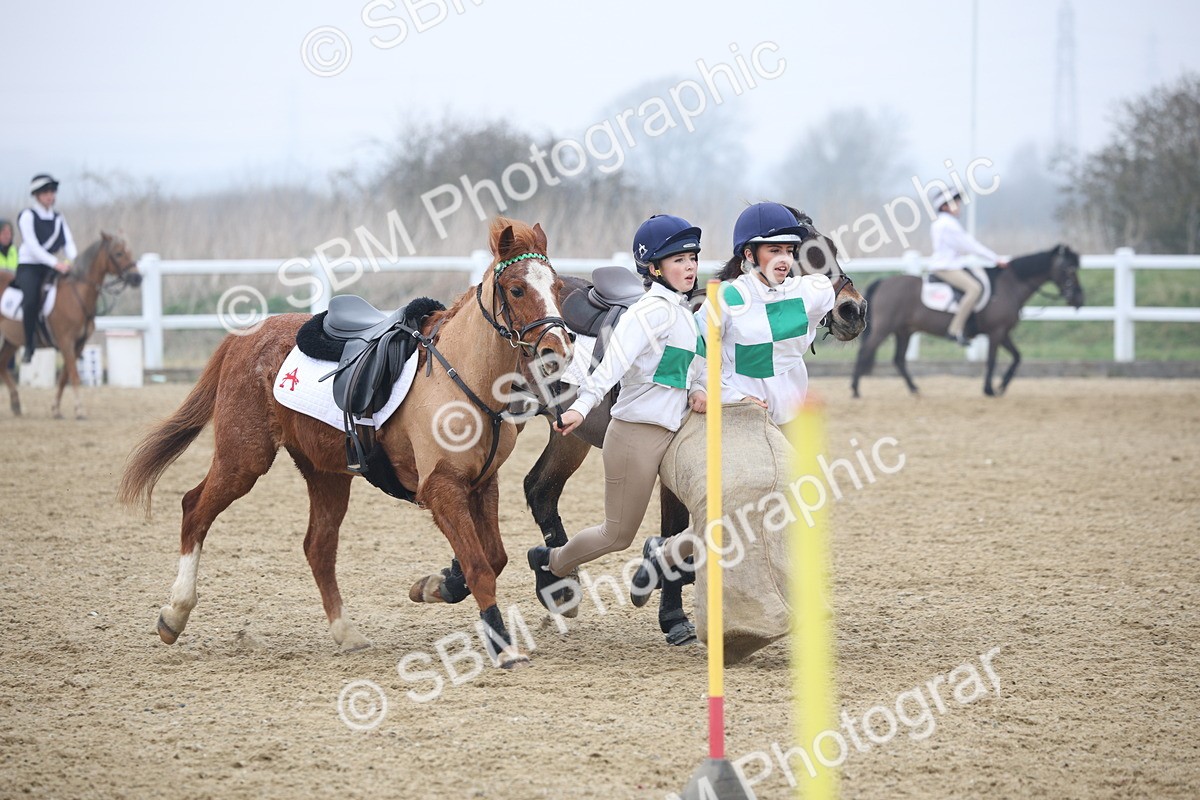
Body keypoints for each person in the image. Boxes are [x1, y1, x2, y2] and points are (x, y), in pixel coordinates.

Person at [630, 201, 838, 604]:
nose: (784, 259)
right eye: (773, 251)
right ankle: (674, 557)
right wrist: (701, 392)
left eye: (789, 251)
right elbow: (691, 351)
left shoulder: (808, 292)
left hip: (790, 413)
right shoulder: (725, 299)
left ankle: (670, 554)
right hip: (744, 416)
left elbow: (836, 302)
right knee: (746, 509)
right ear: (748, 255)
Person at [527, 214, 708, 613]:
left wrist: (698, 389)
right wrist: (579, 409)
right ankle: (550, 561)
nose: (690, 266)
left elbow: (697, 369)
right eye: (678, 260)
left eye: (692, 257)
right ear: (654, 268)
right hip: (636, 435)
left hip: (678, 434)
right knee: (616, 535)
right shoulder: (647, 313)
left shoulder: (686, 314)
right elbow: (608, 369)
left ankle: (664, 558)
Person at [927, 186, 1008, 346]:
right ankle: (954, 330)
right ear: (944, 207)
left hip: (952, 264)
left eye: (957, 202)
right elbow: (970, 245)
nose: (958, 205)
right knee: (974, 289)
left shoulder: (943, 223)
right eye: (954, 203)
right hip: (947, 267)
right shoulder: (948, 224)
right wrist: (995, 258)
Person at [15, 174, 77, 362]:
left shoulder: (58, 218)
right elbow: (32, 246)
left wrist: (74, 261)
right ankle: (29, 345)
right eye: (46, 193)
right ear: (37, 195)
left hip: (51, 266)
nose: (50, 196)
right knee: (32, 300)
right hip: (30, 266)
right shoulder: (27, 216)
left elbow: (69, 243)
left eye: (52, 192)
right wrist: (56, 263)